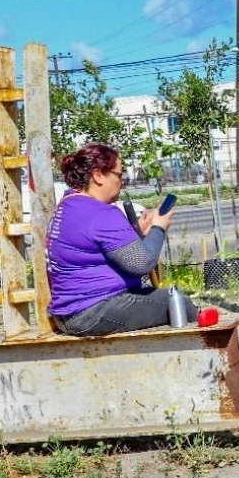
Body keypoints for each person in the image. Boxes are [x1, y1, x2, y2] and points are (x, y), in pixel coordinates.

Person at [47, 142, 193, 336]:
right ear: (98, 175)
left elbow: (98, 244)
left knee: (165, 301)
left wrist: (137, 231)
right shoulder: (100, 213)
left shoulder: (68, 205)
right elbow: (142, 264)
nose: (121, 182)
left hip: (70, 312)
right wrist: (158, 227)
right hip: (94, 310)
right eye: (119, 175)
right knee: (182, 304)